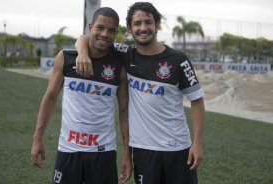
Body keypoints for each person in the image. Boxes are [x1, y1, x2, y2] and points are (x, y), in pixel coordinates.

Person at [75, 2, 205, 184]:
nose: (143, 28)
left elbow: (197, 100)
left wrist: (197, 143)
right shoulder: (126, 54)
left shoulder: (178, 61)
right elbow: (85, 38)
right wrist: (82, 53)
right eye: (137, 24)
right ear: (129, 28)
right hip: (143, 152)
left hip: (177, 150)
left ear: (156, 25)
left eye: (148, 22)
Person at [31, 7, 132, 184]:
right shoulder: (66, 58)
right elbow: (50, 97)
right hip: (68, 150)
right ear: (91, 27)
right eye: (100, 28)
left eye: (111, 30)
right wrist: (37, 138)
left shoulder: (119, 67)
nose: (104, 34)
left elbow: (124, 112)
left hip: (103, 152)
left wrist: (127, 154)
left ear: (116, 34)